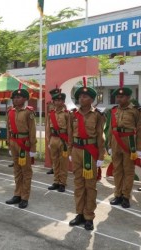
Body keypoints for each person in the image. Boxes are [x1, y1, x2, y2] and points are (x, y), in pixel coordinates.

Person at [68, 77, 105, 231]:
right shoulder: (73, 114)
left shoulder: (97, 115)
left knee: (90, 186)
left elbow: (100, 136)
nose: (81, 98)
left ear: (91, 99)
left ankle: (89, 216)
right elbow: (70, 133)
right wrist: (70, 150)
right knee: (78, 184)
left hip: (90, 151)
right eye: (80, 96)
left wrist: (101, 157)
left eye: (85, 96)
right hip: (76, 150)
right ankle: (79, 214)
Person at [105, 84, 141, 208]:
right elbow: (110, 128)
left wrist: (138, 148)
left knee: (128, 171)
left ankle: (126, 197)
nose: (119, 99)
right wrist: (109, 145)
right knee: (117, 170)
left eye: (122, 96)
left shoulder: (135, 111)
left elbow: (140, 129)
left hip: (129, 142)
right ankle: (118, 194)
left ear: (128, 97)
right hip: (115, 142)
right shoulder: (114, 110)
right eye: (117, 96)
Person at [5, 86, 37, 209]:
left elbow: (32, 131)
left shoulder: (28, 112)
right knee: (17, 170)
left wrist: (33, 148)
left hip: (24, 144)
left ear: (24, 99)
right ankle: (17, 194)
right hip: (13, 142)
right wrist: (8, 143)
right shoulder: (10, 112)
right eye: (14, 98)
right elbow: (9, 129)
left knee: (26, 172)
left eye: (18, 97)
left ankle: (24, 197)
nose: (15, 100)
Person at [45, 88, 70, 192]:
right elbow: (47, 128)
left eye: (60, 100)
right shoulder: (51, 113)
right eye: (56, 100)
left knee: (63, 162)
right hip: (53, 139)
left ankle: (62, 183)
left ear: (63, 102)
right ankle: (56, 181)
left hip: (63, 140)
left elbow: (69, 129)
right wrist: (48, 141)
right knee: (55, 162)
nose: (58, 102)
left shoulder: (67, 114)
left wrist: (69, 142)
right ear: (53, 102)